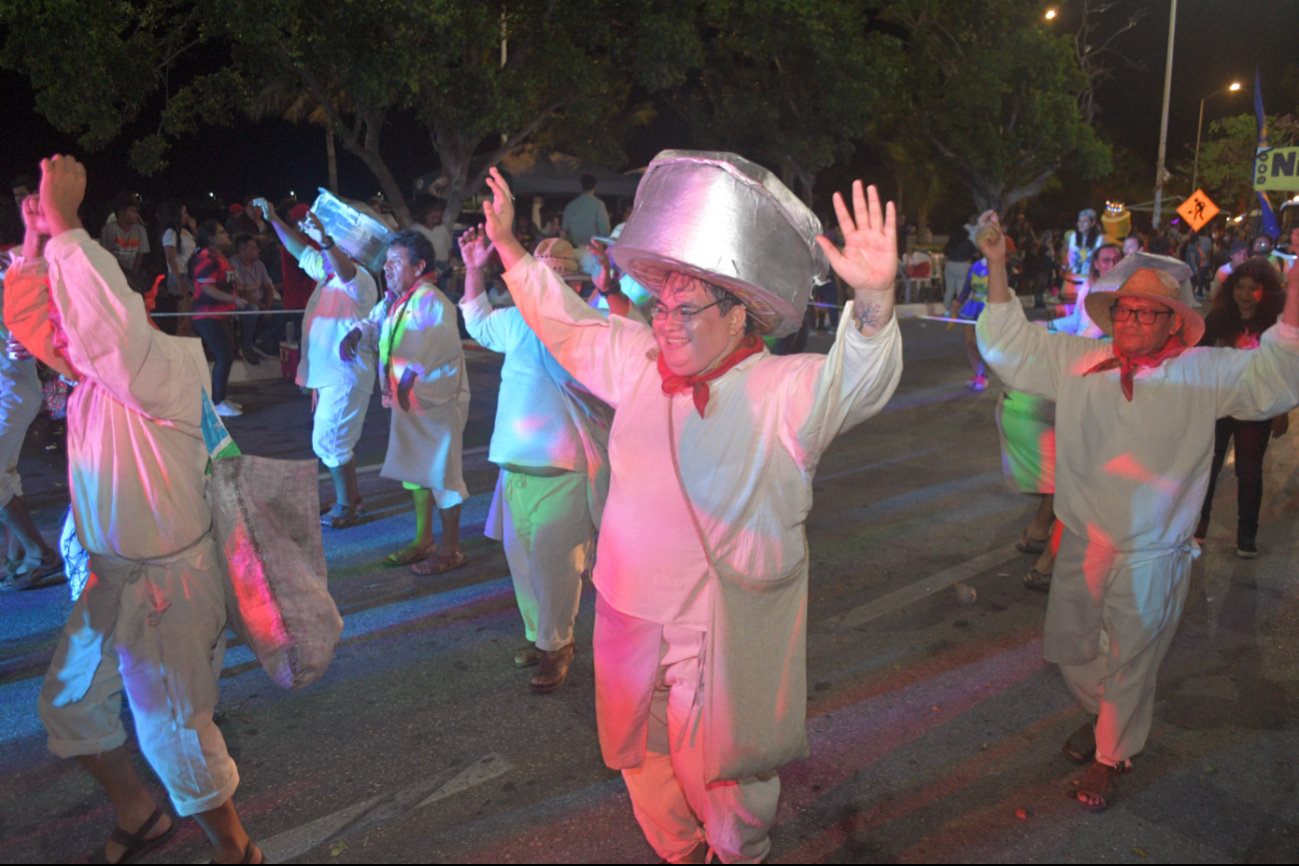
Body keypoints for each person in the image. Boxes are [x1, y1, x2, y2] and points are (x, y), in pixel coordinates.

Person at [482, 157, 904, 862]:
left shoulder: (781, 389)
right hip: (624, 606)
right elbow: (567, 326)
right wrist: (508, 247)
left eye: (687, 310)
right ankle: (680, 852)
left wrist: (874, 303)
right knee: (637, 755)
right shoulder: (638, 359)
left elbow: (855, 382)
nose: (666, 324)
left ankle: (736, 854)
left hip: (717, 623)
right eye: (660, 308)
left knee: (725, 775)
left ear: (738, 315)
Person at [975, 210, 1299, 812]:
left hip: (1154, 552)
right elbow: (1008, 345)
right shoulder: (1082, 362)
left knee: (1130, 656)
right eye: (1123, 310)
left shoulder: (1203, 372)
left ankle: (1110, 754)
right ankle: (1106, 720)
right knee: (1072, 649)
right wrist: (997, 264)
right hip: (1083, 542)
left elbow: (1278, 372)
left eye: (1145, 313)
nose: (1129, 321)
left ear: (1174, 322)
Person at [8, 155, 262, 865]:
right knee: (69, 705)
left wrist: (68, 228)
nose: (64, 332)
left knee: (173, 728)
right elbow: (40, 324)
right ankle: (140, 813)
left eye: (74, 309)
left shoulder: (161, 370)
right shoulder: (93, 375)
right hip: (111, 577)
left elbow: (106, 332)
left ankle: (236, 848)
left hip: (168, 586)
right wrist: (34, 251)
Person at [461, 231, 641, 693]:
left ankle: (558, 646)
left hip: (565, 471)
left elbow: (632, 339)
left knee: (555, 566)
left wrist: (611, 290)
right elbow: (477, 320)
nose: (542, 290)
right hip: (515, 470)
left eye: (553, 280)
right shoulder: (519, 320)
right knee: (522, 562)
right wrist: (472, 268)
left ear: (575, 286)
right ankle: (541, 640)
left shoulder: (588, 325)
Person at [340, 230, 469, 573]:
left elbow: (444, 339)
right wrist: (356, 332)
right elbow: (375, 324)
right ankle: (423, 540)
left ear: (419, 266)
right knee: (415, 472)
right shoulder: (396, 301)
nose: (387, 268)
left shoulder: (431, 299)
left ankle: (451, 548)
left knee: (443, 474)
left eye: (395, 262)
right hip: (409, 403)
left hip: (437, 404)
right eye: (386, 263)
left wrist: (411, 374)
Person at [265, 201, 378, 528]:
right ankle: (350, 497)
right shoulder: (328, 274)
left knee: (329, 441)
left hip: (346, 374)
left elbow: (344, 270)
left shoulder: (361, 279)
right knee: (337, 440)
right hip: (330, 375)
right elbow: (301, 250)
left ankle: (346, 505)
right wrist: (274, 219)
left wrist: (325, 238)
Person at [1196, 258, 1290, 557]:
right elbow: (1198, 360)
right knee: (1206, 467)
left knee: (1249, 472)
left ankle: (1246, 536)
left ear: (1267, 291)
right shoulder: (1217, 319)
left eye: (1254, 288)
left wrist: (1280, 410)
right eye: (1240, 287)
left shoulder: (1276, 327)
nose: (1246, 294)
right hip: (1218, 405)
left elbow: (1282, 372)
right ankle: (1198, 528)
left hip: (1255, 408)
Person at [0, 192, 63, 592]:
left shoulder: (11, 265)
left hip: (13, 391)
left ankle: (39, 552)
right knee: (5, 474)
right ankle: (15, 558)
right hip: (11, 388)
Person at [191, 220, 249, 417]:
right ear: (211, 238)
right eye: (222, 232)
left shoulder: (220, 257)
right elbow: (208, 288)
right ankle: (217, 403)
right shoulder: (205, 258)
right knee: (223, 357)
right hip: (208, 315)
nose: (227, 235)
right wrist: (234, 299)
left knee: (227, 357)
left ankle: (221, 398)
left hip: (224, 315)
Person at [230, 233, 282, 365]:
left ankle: (261, 341)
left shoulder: (259, 264)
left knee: (284, 308)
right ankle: (246, 346)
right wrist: (264, 308)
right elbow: (241, 293)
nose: (258, 250)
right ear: (243, 251)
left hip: (259, 302)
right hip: (239, 304)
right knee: (252, 309)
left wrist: (267, 307)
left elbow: (268, 289)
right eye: (254, 248)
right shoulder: (234, 264)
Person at [156, 199, 196, 336]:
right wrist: (180, 282)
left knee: (183, 317)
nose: (187, 215)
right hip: (179, 276)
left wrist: (194, 228)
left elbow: (199, 247)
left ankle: (179, 348)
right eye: (183, 213)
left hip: (187, 275)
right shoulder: (171, 233)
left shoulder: (184, 232)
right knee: (191, 317)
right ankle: (173, 348)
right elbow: (171, 259)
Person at [949, 256, 989, 390]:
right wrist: (956, 306)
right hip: (973, 307)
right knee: (969, 342)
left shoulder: (997, 267)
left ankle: (983, 376)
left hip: (987, 308)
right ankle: (978, 374)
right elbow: (966, 289)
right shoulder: (974, 267)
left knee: (978, 343)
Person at [561, 173, 610, 277]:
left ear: (581, 185)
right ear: (595, 186)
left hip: (573, 254)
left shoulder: (570, 206)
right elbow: (605, 230)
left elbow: (563, 231)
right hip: (593, 254)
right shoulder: (598, 204)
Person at [99, 193, 151, 277]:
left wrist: (133, 274)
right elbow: (106, 255)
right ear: (121, 211)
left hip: (132, 275)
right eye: (133, 211)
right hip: (113, 274)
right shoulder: (109, 229)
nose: (136, 215)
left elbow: (139, 257)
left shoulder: (140, 230)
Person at [1061, 208, 1101, 305]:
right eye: (1079, 221)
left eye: (1085, 221)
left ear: (1093, 223)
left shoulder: (1100, 240)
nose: (1081, 224)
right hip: (1071, 282)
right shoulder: (1072, 237)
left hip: (1089, 283)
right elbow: (1064, 255)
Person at [413, 200, 454, 290]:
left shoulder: (442, 229)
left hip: (442, 265)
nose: (435, 220)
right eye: (433, 217)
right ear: (425, 215)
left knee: (442, 292)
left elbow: (449, 248)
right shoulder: (417, 229)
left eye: (438, 218)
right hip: (425, 267)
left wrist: (449, 266)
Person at [942, 220, 977, 310]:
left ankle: (947, 309)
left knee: (949, 290)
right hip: (963, 266)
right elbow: (975, 253)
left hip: (950, 265)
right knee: (961, 289)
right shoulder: (968, 243)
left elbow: (945, 253)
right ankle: (961, 309)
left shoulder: (950, 242)